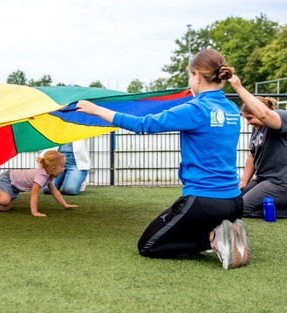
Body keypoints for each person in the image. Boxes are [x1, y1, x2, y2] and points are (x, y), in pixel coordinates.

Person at [76, 49, 250, 270]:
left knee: (149, 245)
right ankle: (224, 232)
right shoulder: (231, 108)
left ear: (197, 75)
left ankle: (213, 238)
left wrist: (97, 110)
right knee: (176, 229)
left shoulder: (196, 108)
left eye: (190, 76)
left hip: (204, 201)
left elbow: (144, 124)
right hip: (234, 202)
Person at [229, 76, 287, 218]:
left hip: (280, 182)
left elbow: (265, 115)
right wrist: (244, 181)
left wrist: (239, 88)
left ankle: (281, 211)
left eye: (250, 118)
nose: (248, 123)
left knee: (241, 209)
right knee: (233, 201)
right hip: (263, 179)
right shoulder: (257, 129)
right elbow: (251, 155)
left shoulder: (280, 116)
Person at [0, 150, 78, 217]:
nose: (64, 169)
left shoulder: (50, 176)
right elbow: (34, 195)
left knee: (4, 208)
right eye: (63, 166)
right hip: (8, 179)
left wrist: (65, 204)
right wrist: (34, 212)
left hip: (15, 187)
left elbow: (55, 191)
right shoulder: (41, 176)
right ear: (53, 168)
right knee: (5, 200)